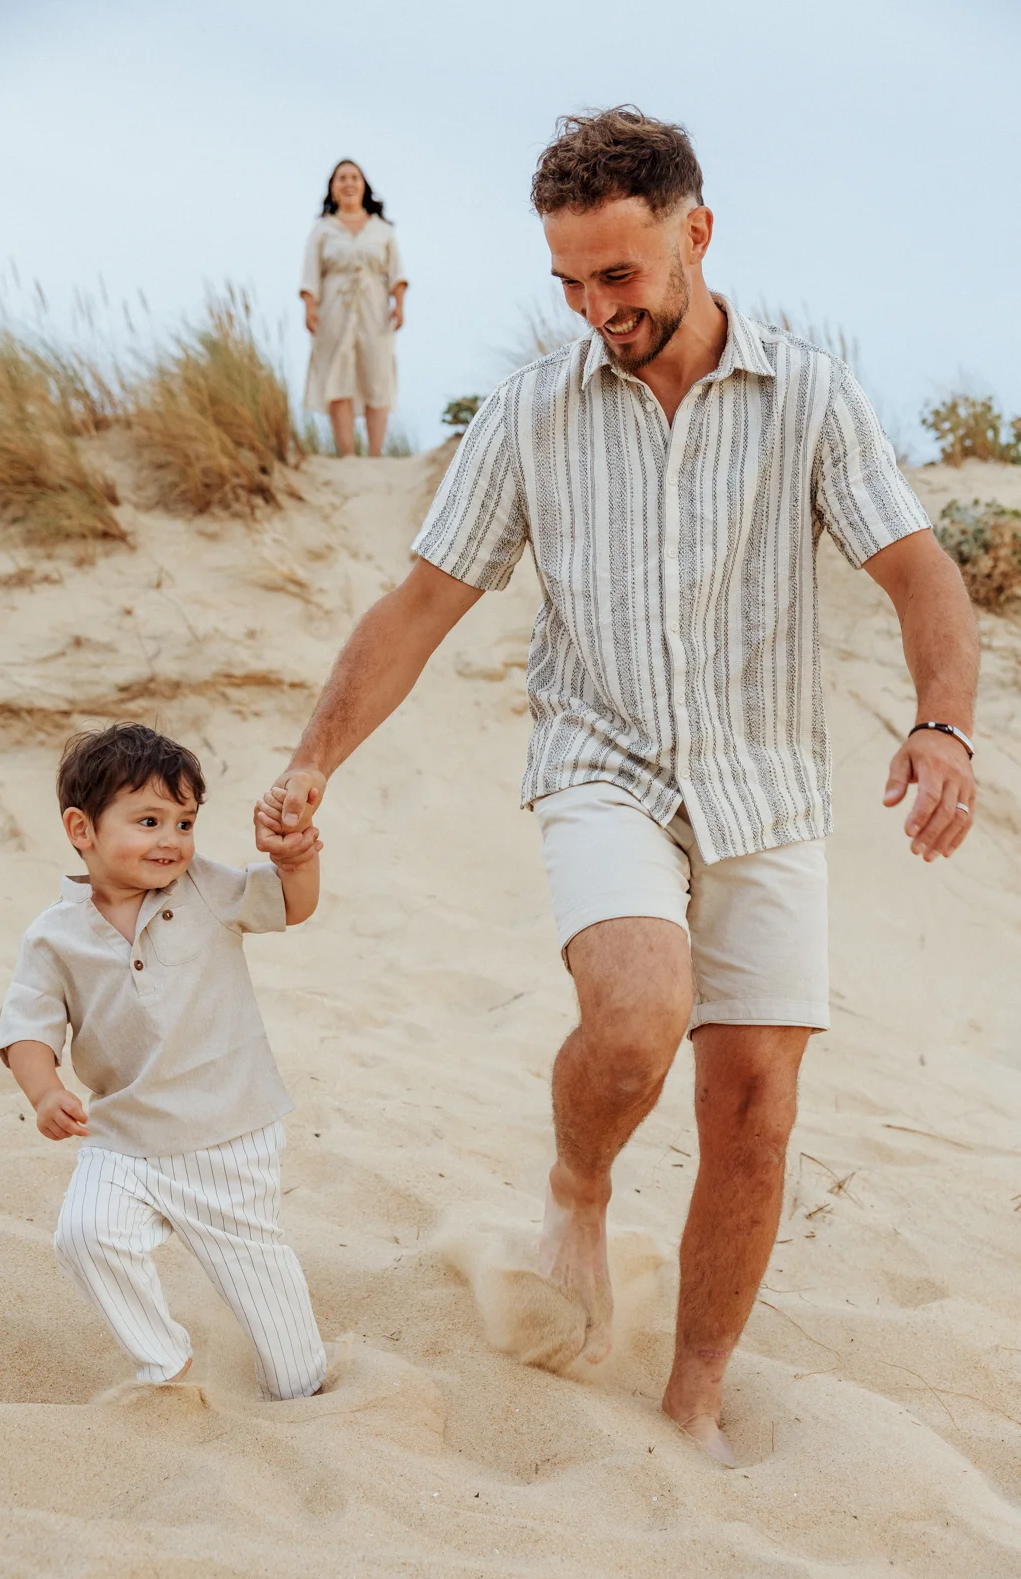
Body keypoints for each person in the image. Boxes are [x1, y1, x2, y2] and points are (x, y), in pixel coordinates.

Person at [258, 108, 978, 1462]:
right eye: (569, 282)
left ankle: (692, 1398)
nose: (595, 310)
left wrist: (941, 726)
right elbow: (419, 606)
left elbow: (917, 571)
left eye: (619, 276)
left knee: (752, 1109)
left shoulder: (810, 395)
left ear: (693, 234)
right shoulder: (532, 410)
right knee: (640, 1017)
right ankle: (576, 1183)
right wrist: (312, 761)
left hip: (766, 784)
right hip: (603, 764)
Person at [0, 722, 327, 1401]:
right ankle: (165, 1365)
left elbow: (290, 906)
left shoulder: (203, 887)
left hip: (229, 1131)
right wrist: (44, 1092)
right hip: (124, 1135)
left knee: (256, 1276)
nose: (171, 840)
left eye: (185, 822)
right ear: (82, 829)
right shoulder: (54, 936)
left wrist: (297, 862)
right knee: (86, 1235)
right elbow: (27, 1028)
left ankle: (301, 1392)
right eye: (148, 821)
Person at [300, 160, 408, 458]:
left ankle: (375, 455)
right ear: (333, 188)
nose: (348, 183)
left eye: (354, 177)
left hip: (375, 309)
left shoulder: (382, 230)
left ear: (364, 186)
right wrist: (310, 307)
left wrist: (399, 305)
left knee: (377, 374)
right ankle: (347, 455)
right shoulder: (322, 230)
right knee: (337, 376)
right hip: (333, 309)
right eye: (342, 178)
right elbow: (310, 273)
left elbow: (397, 273)